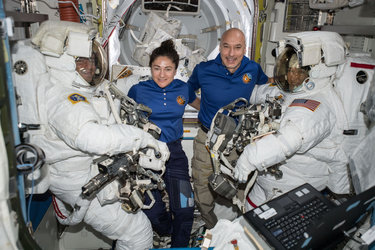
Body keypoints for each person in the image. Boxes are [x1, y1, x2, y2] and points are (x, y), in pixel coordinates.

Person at [26, 20, 169, 250]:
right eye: (82, 60)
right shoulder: (63, 99)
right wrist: (143, 139)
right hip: (76, 180)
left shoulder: (76, 90)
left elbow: (108, 92)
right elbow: (92, 138)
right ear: (63, 62)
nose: (91, 66)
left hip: (87, 169)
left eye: (92, 59)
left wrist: (141, 78)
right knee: (137, 233)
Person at [234, 31, 351, 211]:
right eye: (289, 70)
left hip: (292, 190)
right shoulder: (291, 92)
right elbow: (258, 93)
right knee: (247, 223)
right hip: (269, 181)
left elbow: (287, 140)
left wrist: (250, 157)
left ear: (316, 73)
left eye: (299, 71)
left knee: (266, 235)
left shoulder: (317, 106)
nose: (291, 77)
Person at [187, 28, 272, 229]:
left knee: (240, 189)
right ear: (220, 46)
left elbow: (267, 87)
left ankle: (238, 231)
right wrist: (202, 107)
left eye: (237, 48)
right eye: (226, 47)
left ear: (245, 48)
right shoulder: (203, 69)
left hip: (238, 142)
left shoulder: (253, 69)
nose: (231, 54)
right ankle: (211, 229)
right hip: (207, 139)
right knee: (202, 188)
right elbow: (187, 90)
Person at [127, 39, 194, 248]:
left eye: (167, 69)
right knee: (151, 208)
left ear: (175, 70)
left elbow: (204, 106)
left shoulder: (184, 89)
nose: (162, 74)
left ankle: (179, 245)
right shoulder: (138, 90)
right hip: (147, 153)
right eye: (157, 68)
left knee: (185, 206)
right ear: (150, 69)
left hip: (174, 152)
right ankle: (167, 232)